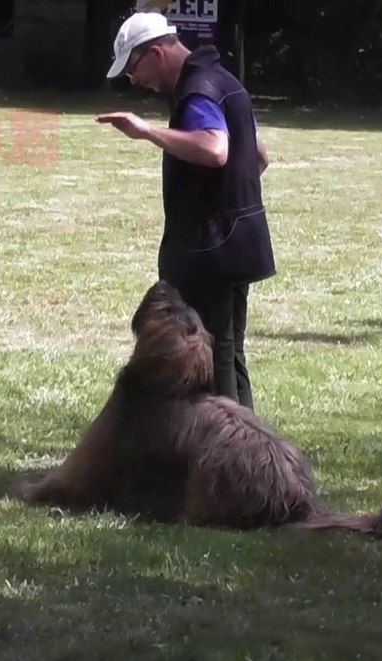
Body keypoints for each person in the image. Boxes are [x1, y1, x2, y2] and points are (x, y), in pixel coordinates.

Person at [98, 11, 274, 412]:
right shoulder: (225, 81)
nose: (134, 80)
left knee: (212, 364)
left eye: (133, 68)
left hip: (210, 252)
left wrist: (147, 132)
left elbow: (215, 148)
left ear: (156, 53)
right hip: (239, 243)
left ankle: (226, 449)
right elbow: (259, 157)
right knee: (231, 356)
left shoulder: (198, 90)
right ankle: (251, 446)